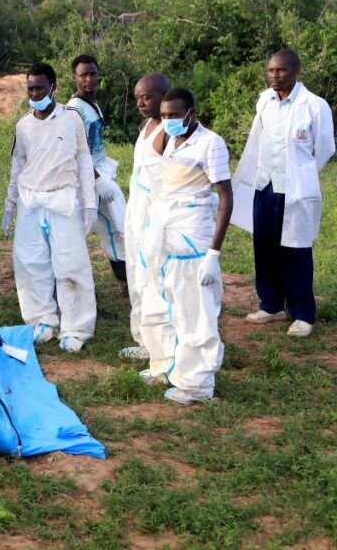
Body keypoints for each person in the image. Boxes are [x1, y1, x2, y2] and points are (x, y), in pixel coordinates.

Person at [135, 88, 233, 405]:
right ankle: (165, 365)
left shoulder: (211, 143)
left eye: (175, 115)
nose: (168, 121)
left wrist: (213, 255)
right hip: (166, 235)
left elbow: (225, 199)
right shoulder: (171, 142)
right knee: (162, 302)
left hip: (193, 240)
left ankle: (196, 385)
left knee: (195, 311)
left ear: (191, 112)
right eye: (164, 116)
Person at [232, 49, 335, 337]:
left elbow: (324, 147)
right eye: (271, 71)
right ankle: (272, 305)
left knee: (296, 250)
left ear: (296, 71)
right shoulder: (264, 100)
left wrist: (300, 174)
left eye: (281, 70)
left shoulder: (314, 105)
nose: (275, 76)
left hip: (294, 190)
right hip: (264, 185)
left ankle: (303, 313)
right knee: (264, 247)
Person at [3, 62, 97, 352]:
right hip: (31, 200)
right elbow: (18, 164)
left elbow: (84, 160)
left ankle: (76, 327)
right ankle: (41, 320)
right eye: (30, 88)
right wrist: (10, 204)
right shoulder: (23, 124)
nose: (34, 93)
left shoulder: (71, 119)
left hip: (63, 200)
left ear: (54, 87)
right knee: (30, 264)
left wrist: (90, 204)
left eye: (40, 88)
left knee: (70, 264)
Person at [67, 54, 128, 294]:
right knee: (80, 232)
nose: (89, 79)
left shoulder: (92, 102)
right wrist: (96, 179)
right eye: (83, 75)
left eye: (92, 73)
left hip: (100, 171)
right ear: (75, 77)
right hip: (87, 178)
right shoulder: (75, 109)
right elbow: (75, 151)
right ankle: (74, 288)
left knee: (118, 227)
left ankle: (126, 283)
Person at [120, 73, 170, 360]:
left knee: (155, 279)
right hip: (136, 212)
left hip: (155, 218)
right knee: (137, 276)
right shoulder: (147, 125)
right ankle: (143, 339)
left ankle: (160, 344)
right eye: (137, 96)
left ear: (164, 95)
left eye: (147, 97)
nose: (140, 102)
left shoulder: (168, 132)